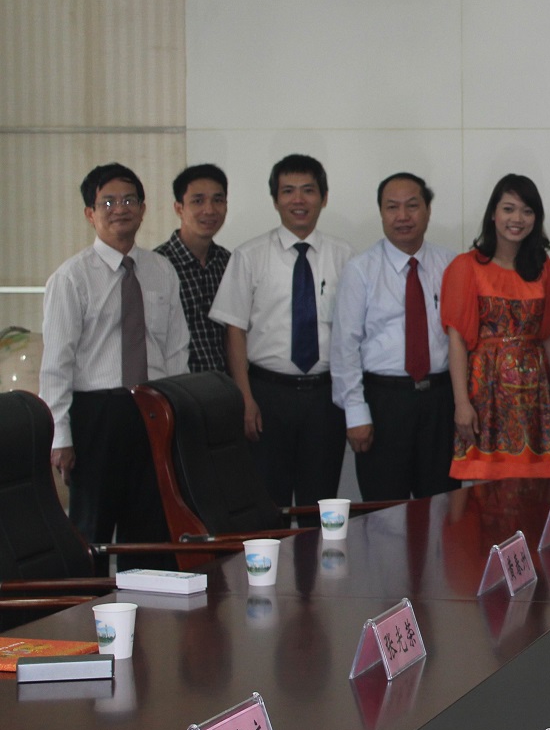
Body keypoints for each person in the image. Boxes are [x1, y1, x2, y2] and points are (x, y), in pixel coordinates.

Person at [39, 163, 189, 554]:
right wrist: (60, 436)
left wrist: (178, 416)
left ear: (143, 208)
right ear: (90, 213)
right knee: (92, 532)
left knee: (152, 530)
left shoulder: (161, 270)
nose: (119, 208)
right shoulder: (71, 278)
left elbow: (176, 350)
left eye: (128, 200)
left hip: (153, 410)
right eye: (107, 202)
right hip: (97, 415)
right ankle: (88, 597)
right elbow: (56, 365)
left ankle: (146, 595)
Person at [209, 154, 353, 517]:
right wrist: (245, 398)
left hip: (326, 397)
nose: (298, 200)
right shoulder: (248, 256)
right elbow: (235, 331)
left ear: (324, 197)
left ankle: (316, 558)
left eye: (308, 190)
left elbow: (353, 335)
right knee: (266, 503)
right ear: (275, 200)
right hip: (267, 395)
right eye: (288, 191)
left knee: (320, 505)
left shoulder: (345, 257)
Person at [330, 172, 459, 499]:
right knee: (384, 512)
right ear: (381, 213)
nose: (403, 216)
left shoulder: (452, 266)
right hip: (384, 402)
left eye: (412, 206)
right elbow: (345, 347)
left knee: (443, 506)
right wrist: (356, 414)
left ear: (428, 210)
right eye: (392, 207)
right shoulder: (361, 269)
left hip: (440, 401)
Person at [440, 174, 550, 479]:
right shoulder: (466, 266)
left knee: (535, 489)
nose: (517, 219)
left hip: (534, 396)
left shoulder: (544, 268)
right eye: (508, 209)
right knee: (485, 490)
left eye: (527, 211)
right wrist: (461, 403)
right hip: (485, 393)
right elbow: (457, 340)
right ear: (493, 213)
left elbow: (548, 337)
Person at [154, 163, 231, 374]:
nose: (209, 210)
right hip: (178, 386)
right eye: (198, 201)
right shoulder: (156, 266)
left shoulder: (229, 263)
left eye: (218, 200)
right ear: (179, 208)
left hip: (226, 386)